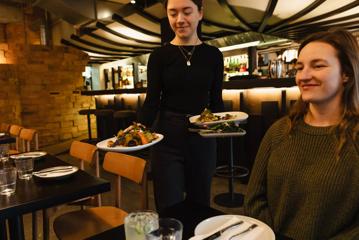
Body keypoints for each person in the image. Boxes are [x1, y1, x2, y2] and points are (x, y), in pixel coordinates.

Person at [244, 29, 359, 240]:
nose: (303, 76)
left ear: (347, 74)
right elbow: (254, 199)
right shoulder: (279, 131)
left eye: (318, 65)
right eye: (299, 67)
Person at [139, 0, 224, 212]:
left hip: (202, 136)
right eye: (172, 13)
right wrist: (136, 133)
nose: (179, 20)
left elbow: (216, 100)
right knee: (168, 206)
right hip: (167, 138)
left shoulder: (213, 55)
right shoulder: (158, 56)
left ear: (200, 13)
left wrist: (225, 126)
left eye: (187, 12)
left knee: (200, 205)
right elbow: (152, 101)